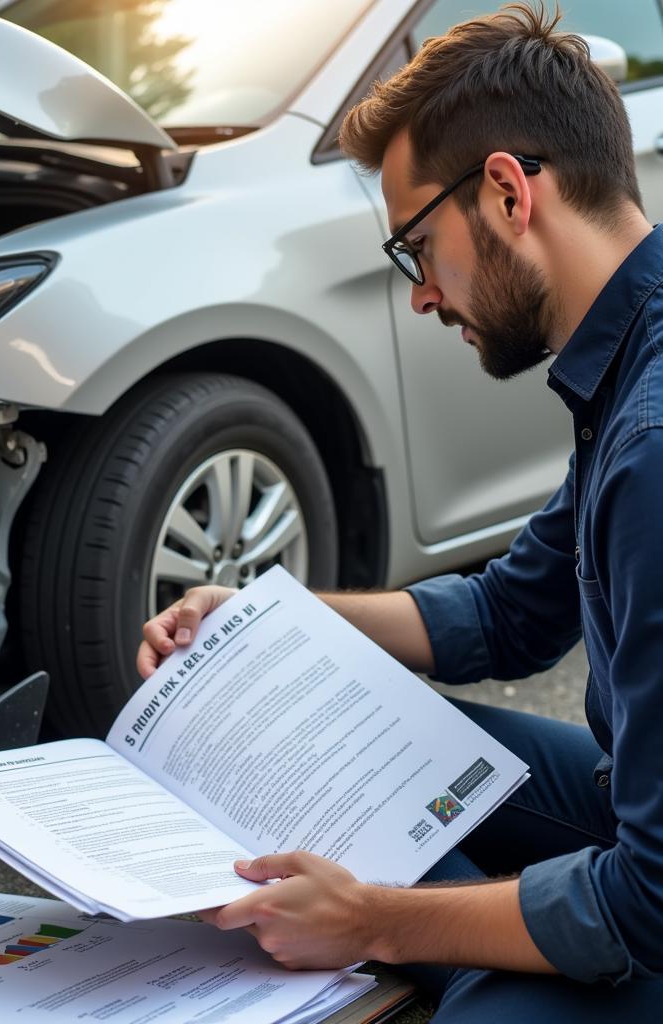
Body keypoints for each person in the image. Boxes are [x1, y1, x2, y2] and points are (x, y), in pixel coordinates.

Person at [136, 4, 663, 1019]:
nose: (421, 293)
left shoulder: (650, 446)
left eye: (416, 246)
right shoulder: (628, 352)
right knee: (389, 756)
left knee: (473, 1004)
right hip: (629, 818)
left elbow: (646, 903)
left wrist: (374, 919)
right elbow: (511, 613)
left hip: (648, 891)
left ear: (507, 191)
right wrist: (257, 614)